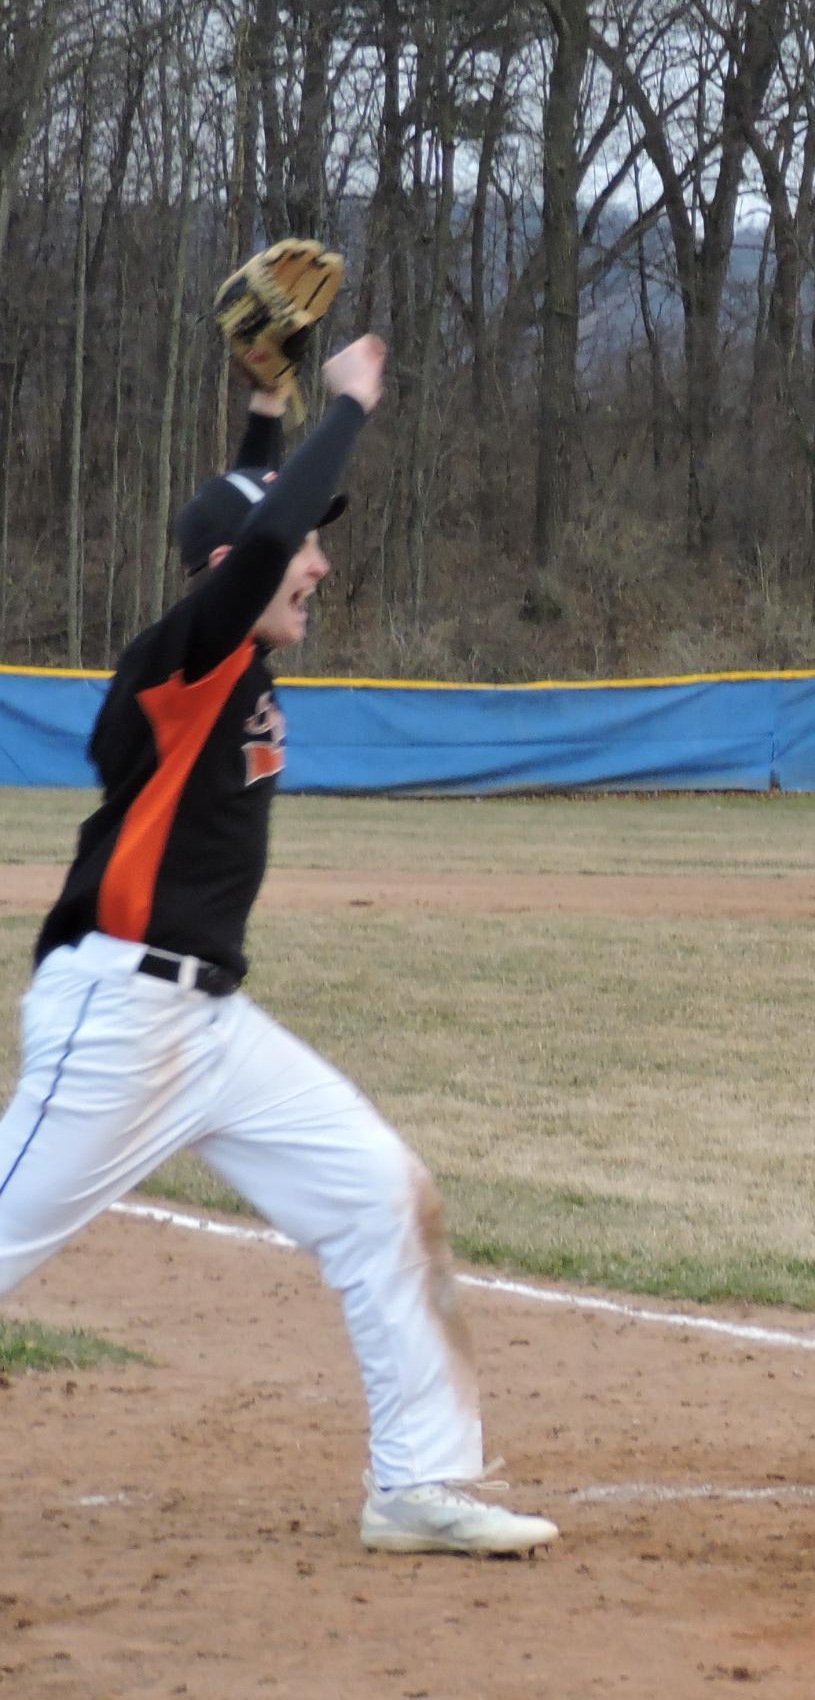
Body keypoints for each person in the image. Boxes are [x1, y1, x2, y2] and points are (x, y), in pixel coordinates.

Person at [0, 342, 558, 1557]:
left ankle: (419, 1482)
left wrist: (268, 407)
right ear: (228, 573)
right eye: (305, 542)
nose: (321, 559)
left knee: (380, 1194)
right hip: (117, 1020)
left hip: (209, 1028)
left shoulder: (231, 646)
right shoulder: (183, 663)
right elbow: (249, 544)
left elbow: (242, 527)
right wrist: (347, 405)